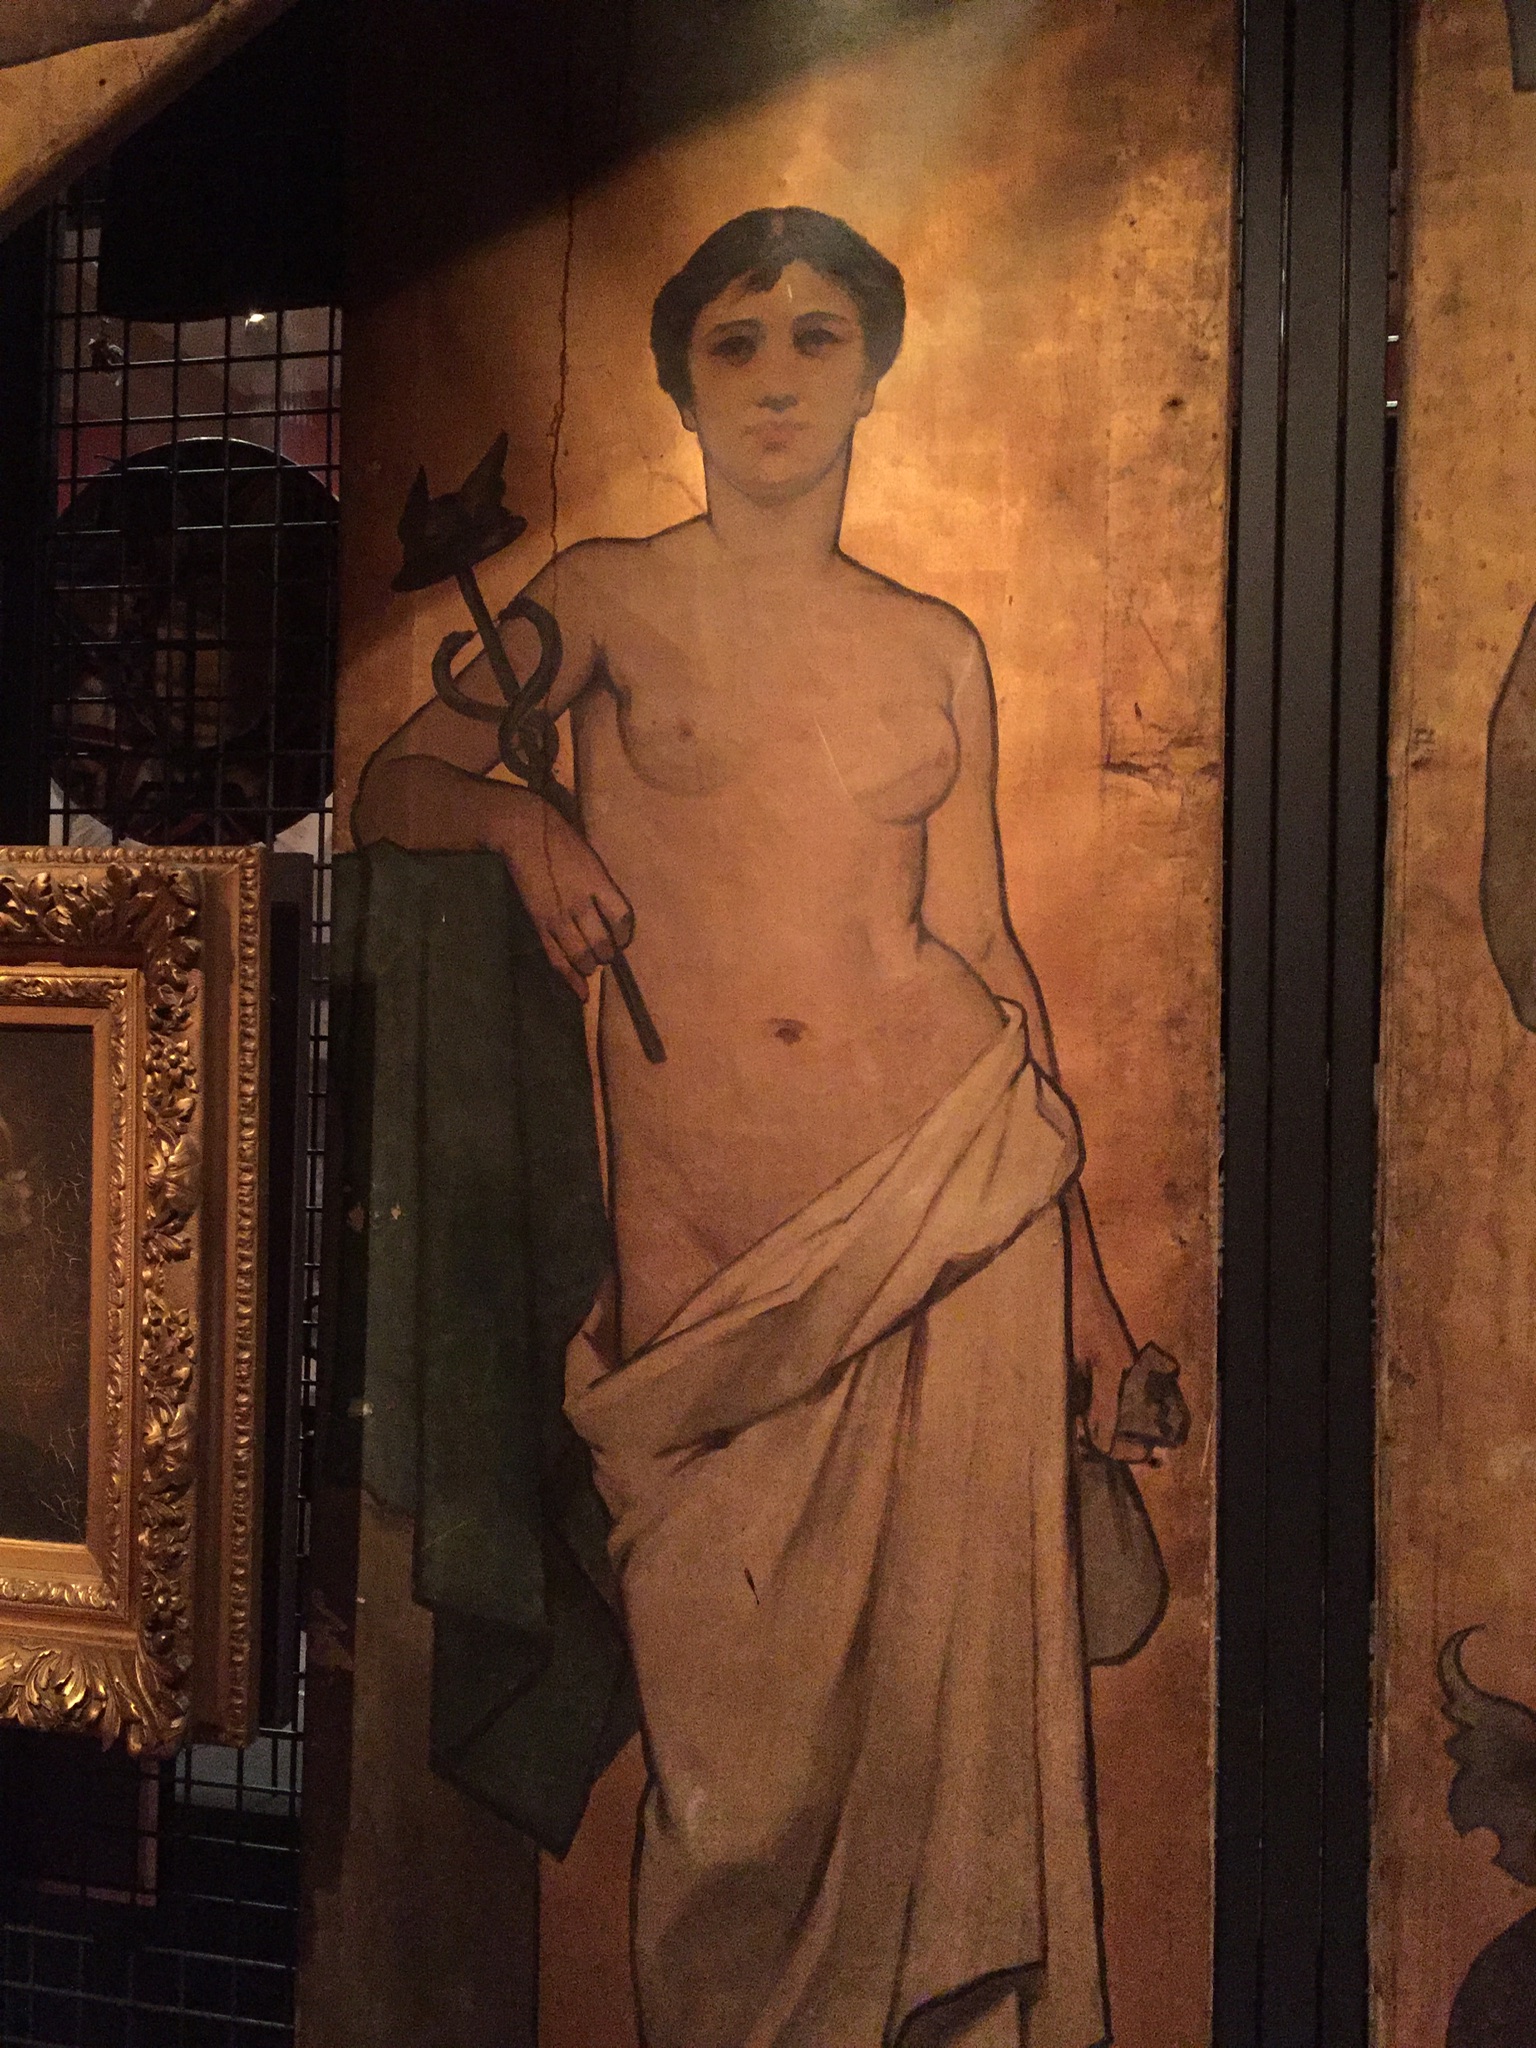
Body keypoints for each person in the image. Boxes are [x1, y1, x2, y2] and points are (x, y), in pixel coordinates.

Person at [354, 206, 1137, 2048]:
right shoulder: (609, 597)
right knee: (728, 1807)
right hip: (714, 1278)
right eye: (736, 341)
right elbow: (394, 780)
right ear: (682, 384)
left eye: (815, 337)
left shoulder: (936, 647)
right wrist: (525, 826)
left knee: (950, 1773)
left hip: (955, 1217)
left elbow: (988, 952)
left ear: (874, 374)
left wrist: (1094, 1296)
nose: (778, 376)